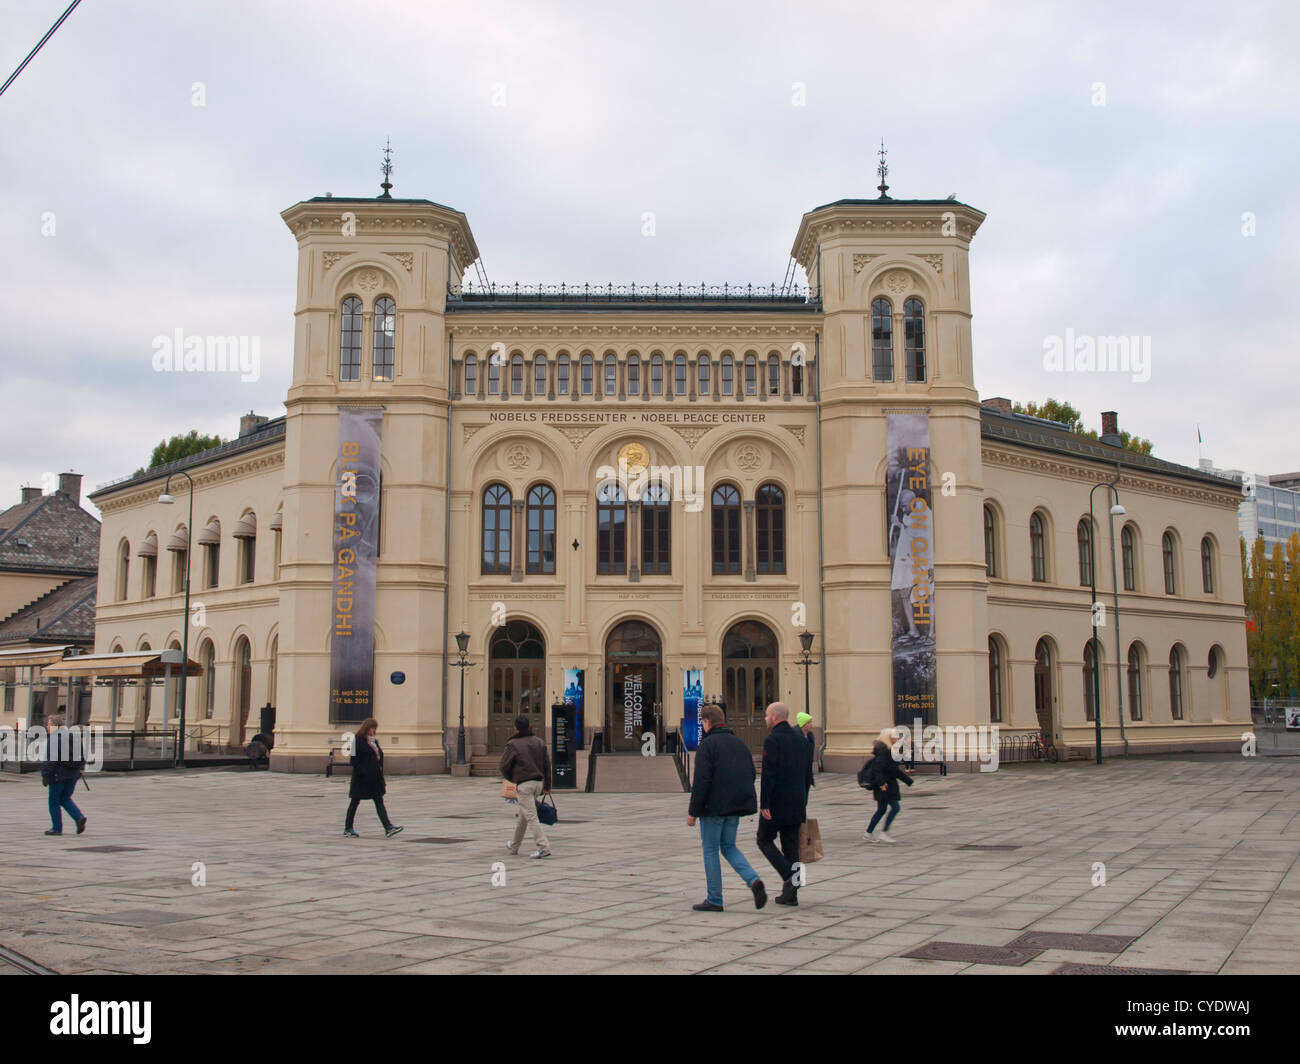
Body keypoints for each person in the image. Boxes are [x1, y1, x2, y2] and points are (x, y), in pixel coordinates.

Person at [687, 703, 765, 912]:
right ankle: (753, 880)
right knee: (729, 846)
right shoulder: (739, 743)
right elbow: (750, 773)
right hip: (734, 807)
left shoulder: (708, 745)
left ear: (706, 722)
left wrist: (693, 812)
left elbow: (702, 780)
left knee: (710, 850)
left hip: (713, 808)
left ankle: (715, 898)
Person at [757, 702, 813, 906]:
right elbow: (807, 773)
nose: (765, 719)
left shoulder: (773, 740)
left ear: (775, 717)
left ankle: (791, 877)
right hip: (797, 801)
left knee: (763, 839)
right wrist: (803, 799)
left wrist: (765, 804)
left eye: (766, 715)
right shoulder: (800, 739)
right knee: (791, 848)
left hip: (777, 802)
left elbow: (769, 775)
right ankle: (791, 894)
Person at [499, 715, 551, 858]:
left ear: (515, 728)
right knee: (523, 815)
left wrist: (511, 778)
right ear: (529, 727)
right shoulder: (539, 742)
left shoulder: (513, 744)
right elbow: (547, 765)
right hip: (538, 784)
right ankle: (514, 845)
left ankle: (543, 847)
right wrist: (547, 785)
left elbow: (503, 765)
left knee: (531, 816)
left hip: (525, 784)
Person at [343, 718, 402, 838]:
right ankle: (348, 828)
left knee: (379, 801)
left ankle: (388, 827)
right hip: (361, 779)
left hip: (374, 778)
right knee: (355, 802)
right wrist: (363, 772)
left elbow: (379, 756)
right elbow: (353, 760)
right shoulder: (357, 740)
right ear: (367, 728)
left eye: (375, 729)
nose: (374, 731)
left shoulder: (373, 741)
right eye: (372, 728)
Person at [40, 711, 86, 837]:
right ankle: (79, 817)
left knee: (54, 801)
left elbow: (51, 760)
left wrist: (45, 775)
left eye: (49, 725)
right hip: (73, 775)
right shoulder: (72, 736)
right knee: (65, 798)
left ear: (56, 726)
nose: (47, 727)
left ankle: (57, 828)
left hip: (58, 775)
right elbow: (81, 756)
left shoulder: (54, 739)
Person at [862, 734, 913, 843]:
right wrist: (881, 783)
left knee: (881, 810)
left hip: (885, 786)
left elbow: (895, 770)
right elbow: (877, 770)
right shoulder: (885, 753)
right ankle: (884, 833)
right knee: (895, 808)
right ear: (888, 739)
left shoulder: (888, 752)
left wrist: (907, 780)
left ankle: (868, 833)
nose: (896, 739)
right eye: (894, 737)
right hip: (885, 787)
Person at [796, 712, 816, 794]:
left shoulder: (810, 736)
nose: (811, 725)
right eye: (809, 722)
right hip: (798, 773)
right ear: (803, 724)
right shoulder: (795, 736)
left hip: (807, 772)